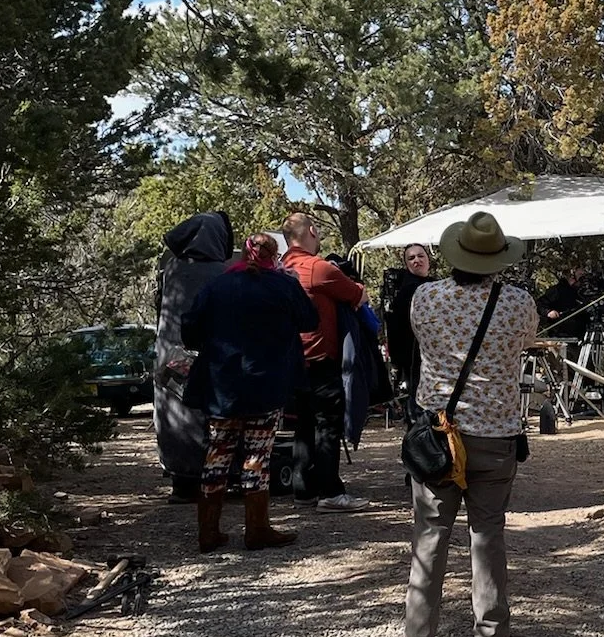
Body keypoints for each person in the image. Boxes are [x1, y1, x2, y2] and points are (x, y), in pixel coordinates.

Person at [398, 210, 540, 637]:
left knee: (430, 533)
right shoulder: (519, 303)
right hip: (496, 432)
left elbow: (420, 343)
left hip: (438, 432)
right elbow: (525, 342)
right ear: (498, 259)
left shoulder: (425, 298)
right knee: (487, 534)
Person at [181, 233, 320, 552]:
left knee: (218, 452)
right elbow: (310, 320)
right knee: (258, 454)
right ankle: (256, 529)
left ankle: (208, 532)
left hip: (221, 385)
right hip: (266, 383)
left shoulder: (218, 286)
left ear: (244, 253)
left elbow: (190, 330)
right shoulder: (284, 285)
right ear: (275, 256)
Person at [280, 210, 369, 510]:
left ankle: (303, 488)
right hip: (321, 359)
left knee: (303, 425)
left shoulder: (280, 269)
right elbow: (358, 295)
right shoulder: (319, 268)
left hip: (292, 363)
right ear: (313, 232)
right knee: (328, 425)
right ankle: (330, 491)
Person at [153, 211, 235, 501]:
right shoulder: (219, 273)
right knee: (209, 419)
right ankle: (212, 480)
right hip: (208, 358)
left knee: (174, 419)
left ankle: (180, 482)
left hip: (168, 357)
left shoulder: (172, 268)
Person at [384, 244, 432, 397]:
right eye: (411, 258)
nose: (416, 260)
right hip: (414, 359)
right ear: (406, 264)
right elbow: (395, 328)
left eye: (420, 256)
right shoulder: (406, 290)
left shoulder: (435, 284)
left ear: (428, 260)